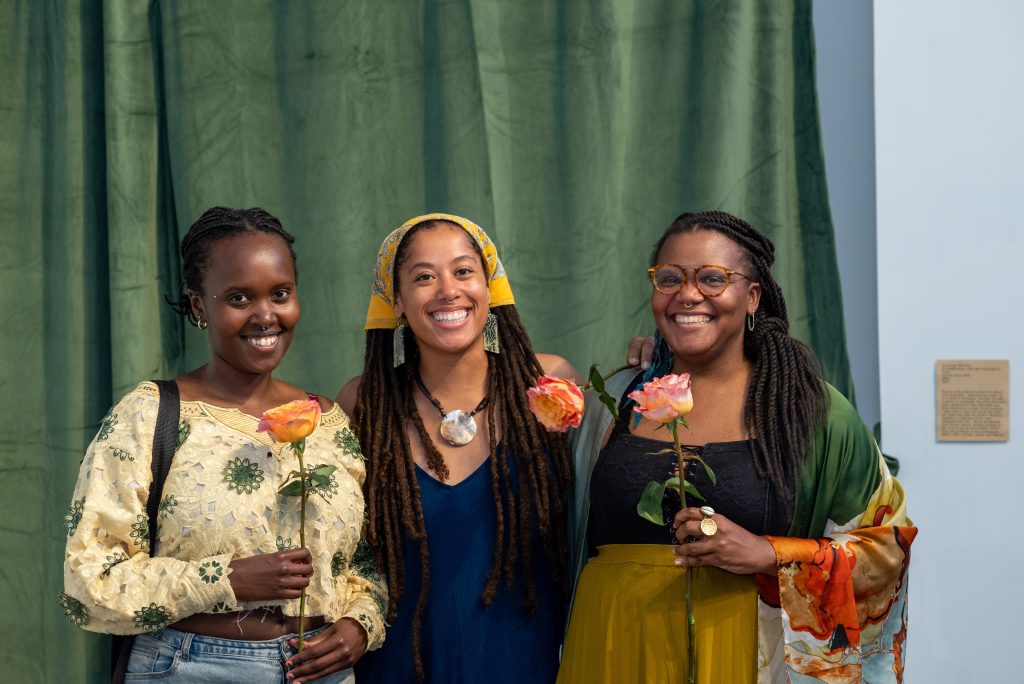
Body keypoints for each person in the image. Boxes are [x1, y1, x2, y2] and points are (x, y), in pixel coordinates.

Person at [559, 211, 916, 683]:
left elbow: (887, 543)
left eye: (712, 278)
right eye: (670, 278)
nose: (688, 294)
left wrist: (769, 554)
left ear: (751, 297)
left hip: (743, 658)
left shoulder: (808, 410)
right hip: (609, 649)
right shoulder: (616, 400)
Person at [60, 207, 385, 683]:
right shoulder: (151, 413)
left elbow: (369, 561)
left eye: (280, 293)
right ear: (198, 306)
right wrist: (227, 579)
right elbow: (90, 580)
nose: (266, 315)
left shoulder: (330, 422)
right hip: (190, 668)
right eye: (238, 298)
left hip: (323, 672)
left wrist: (361, 623)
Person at [338, 213, 581, 683]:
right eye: (424, 277)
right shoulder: (362, 402)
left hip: (525, 661)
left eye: (464, 271)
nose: (448, 289)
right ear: (398, 303)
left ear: (490, 290)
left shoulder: (550, 385)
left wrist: (656, 356)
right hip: (400, 665)